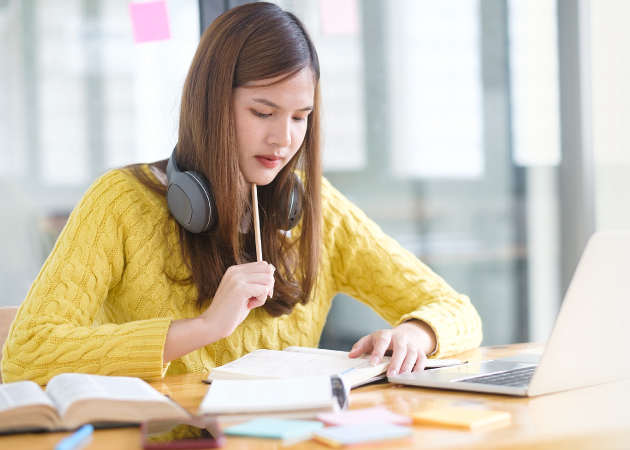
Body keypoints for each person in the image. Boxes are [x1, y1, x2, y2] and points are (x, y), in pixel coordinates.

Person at [1, 2, 482, 386]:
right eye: (262, 111)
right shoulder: (119, 204)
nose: (284, 139)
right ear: (212, 103)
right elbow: (27, 353)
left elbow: (457, 311)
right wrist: (203, 329)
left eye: (299, 117)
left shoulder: (319, 209)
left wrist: (417, 334)